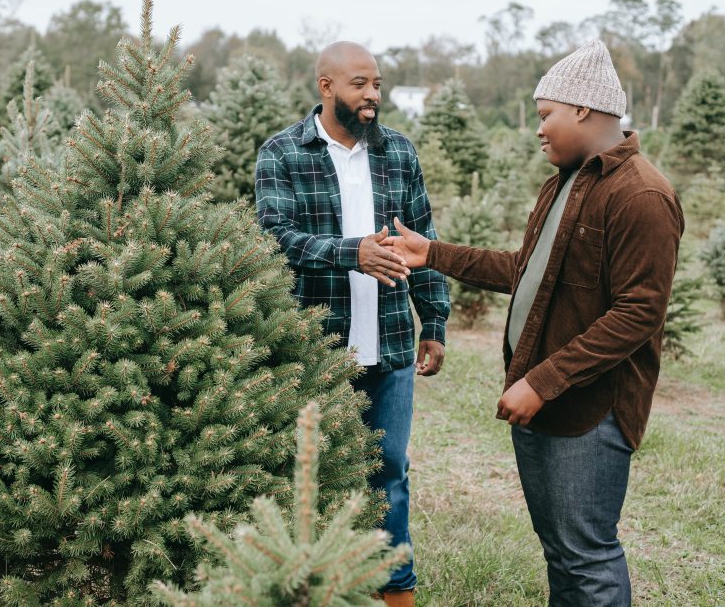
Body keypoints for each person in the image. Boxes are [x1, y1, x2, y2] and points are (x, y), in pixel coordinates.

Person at [385, 39, 684, 606]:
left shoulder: (640, 194)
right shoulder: (568, 181)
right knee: (562, 554)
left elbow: (638, 314)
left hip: (588, 411)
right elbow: (529, 273)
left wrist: (542, 381)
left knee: (587, 558)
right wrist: (435, 254)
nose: (539, 129)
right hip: (547, 404)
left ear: (584, 110)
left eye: (546, 115)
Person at [255, 41, 450, 606]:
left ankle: (397, 594)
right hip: (315, 349)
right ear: (326, 86)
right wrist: (352, 253)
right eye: (360, 84)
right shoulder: (283, 154)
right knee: (306, 479)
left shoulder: (397, 153)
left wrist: (433, 322)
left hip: (389, 344)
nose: (372, 96)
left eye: (378, 85)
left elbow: (425, 241)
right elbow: (273, 238)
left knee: (389, 473)